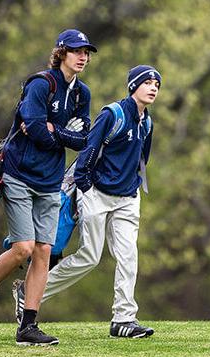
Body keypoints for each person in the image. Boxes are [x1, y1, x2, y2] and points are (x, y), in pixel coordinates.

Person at [0, 29, 97, 346]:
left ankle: (28, 326)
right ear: (61, 52)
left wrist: (56, 131)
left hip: (51, 182)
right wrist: (59, 132)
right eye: (77, 51)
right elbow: (35, 129)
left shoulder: (82, 94)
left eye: (86, 52)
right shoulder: (40, 84)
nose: (83, 57)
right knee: (23, 248)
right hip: (20, 175)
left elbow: (83, 139)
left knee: (44, 252)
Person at [13, 65, 161, 338]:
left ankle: (123, 319)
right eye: (147, 83)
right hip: (96, 192)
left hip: (128, 198)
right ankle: (30, 292)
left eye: (156, 84)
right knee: (89, 257)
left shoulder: (147, 122)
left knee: (129, 256)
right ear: (133, 87)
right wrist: (85, 187)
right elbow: (88, 149)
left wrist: (134, 188)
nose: (153, 88)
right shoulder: (113, 114)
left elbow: (142, 159)